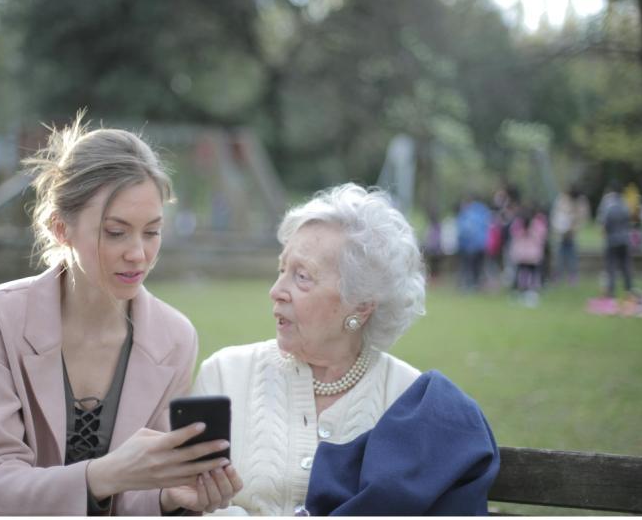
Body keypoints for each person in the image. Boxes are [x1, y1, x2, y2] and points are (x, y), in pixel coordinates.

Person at [0, 112, 242, 515]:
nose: (138, 254)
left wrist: (167, 498)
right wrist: (103, 474)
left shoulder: (175, 337)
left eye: (152, 231)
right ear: (60, 228)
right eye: (115, 232)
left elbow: (140, 492)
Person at [192, 183, 500, 515]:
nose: (276, 291)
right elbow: (186, 504)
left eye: (302, 277)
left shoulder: (409, 401)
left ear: (361, 305)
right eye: (281, 270)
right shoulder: (225, 375)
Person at [597, 181, 635, 299]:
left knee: (611, 267)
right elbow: (630, 220)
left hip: (612, 240)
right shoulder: (625, 203)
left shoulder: (608, 203)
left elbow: (604, 223)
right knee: (626, 266)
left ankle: (611, 292)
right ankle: (629, 290)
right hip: (624, 240)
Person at [509, 205, 549, 307]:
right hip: (533, 255)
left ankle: (523, 291)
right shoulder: (538, 224)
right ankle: (530, 293)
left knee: (522, 274)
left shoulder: (518, 224)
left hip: (522, 255)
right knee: (532, 275)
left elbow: (513, 235)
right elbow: (542, 238)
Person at [551, 185, 590, 285]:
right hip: (561, 233)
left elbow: (583, 217)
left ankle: (572, 276)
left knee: (572, 256)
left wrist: (574, 224)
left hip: (572, 234)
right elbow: (557, 215)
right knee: (559, 256)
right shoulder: (562, 199)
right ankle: (557, 276)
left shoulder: (581, 201)